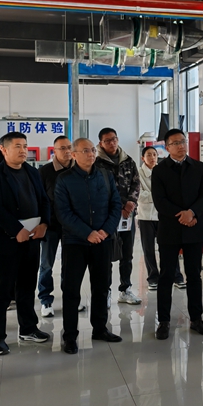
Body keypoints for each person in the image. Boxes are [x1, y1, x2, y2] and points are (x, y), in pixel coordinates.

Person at [0, 131, 51, 355]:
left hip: (31, 240)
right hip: (6, 242)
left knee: (27, 287)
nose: (23, 150)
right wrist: (15, 230)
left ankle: (28, 328)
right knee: (1, 291)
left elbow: (44, 200)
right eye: (17, 146)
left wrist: (44, 224)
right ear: (3, 149)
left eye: (25, 146)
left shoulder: (32, 172)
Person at [55, 138, 123, 353]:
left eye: (93, 150)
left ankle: (100, 328)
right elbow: (63, 213)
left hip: (102, 240)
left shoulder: (105, 175)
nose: (91, 154)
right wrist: (87, 233)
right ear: (74, 154)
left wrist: (106, 231)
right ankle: (70, 336)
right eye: (85, 150)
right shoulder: (64, 179)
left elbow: (116, 205)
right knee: (71, 290)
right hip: (75, 242)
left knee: (101, 287)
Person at [151, 129, 203, 340]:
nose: (180, 146)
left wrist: (192, 212)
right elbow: (160, 201)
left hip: (193, 228)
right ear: (167, 147)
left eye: (182, 141)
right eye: (175, 143)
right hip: (169, 228)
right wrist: (183, 215)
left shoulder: (198, 167)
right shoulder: (159, 170)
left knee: (194, 275)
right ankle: (164, 321)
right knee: (166, 276)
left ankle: (196, 319)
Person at [96, 128, 142, 306]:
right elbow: (99, 188)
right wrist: (120, 205)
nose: (112, 143)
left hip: (128, 215)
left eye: (114, 139)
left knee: (127, 254)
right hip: (107, 216)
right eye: (107, 140)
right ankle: (105, 291)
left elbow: (136, 183)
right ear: (101, 143)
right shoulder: (97, 163)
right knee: (105, 255)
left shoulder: (128, 160)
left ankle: (125, 289)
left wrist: (131, 202)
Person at [37, 135, 75, 318]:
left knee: (71, 265)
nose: (67, 151)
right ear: (54, 151)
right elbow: (39, 199)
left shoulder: (78, 169)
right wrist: (42, 222)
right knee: (46, 264)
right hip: (51, 226)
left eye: (69, 147)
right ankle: (45, 299)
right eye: (62, 148)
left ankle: (70, 298)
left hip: (72, 226)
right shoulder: (45, 171)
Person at [137, 146, 184, 291]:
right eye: (149, 155)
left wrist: (159, 197)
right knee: (149, 249)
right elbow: (139, 195)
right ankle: (153, 278)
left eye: (154, 154)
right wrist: (159, 197)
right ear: (143, 158)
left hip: (163, 215)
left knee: (170, 247)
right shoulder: (138, 173)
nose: (152, 157)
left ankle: (176, 276)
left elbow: (171, 192)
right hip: (146, 217)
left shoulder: (163, 171)